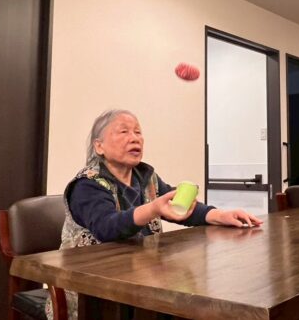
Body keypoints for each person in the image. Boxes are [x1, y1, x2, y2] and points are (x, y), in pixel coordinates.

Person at [48, 109, 262, 319]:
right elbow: (107, 227)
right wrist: (153, 208)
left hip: (138, 282)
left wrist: (219, 215)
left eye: (138, 132)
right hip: (91, 292)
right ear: (99, 146)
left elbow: (178, 207)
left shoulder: (145, 177)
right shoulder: (88, 184)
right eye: (124, 131)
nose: (135, 138)